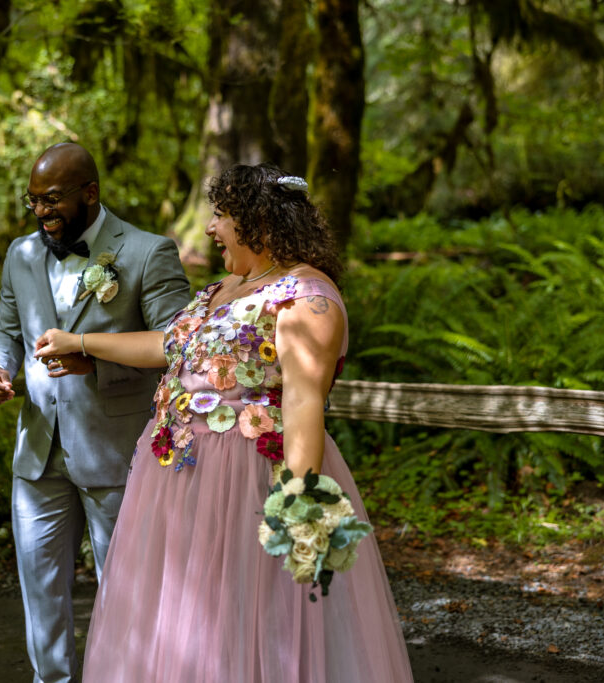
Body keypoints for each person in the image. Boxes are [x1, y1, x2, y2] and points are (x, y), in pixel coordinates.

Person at [35, 163, 414, 681]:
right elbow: (169, 346)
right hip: (179, 481)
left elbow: (304, 403)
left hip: (248, 483)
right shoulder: (230, 285)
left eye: (220, 215)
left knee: (252, 620)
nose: (210, 229)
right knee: (184, 623)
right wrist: (81, 343)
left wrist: (298, 500)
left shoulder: (309, 298)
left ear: (257, 220)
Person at [0, 142, 191, 683]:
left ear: (90, 193)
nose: (42, 213)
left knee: (126, 592)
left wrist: (95, 362)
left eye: (52, 199)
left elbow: (179, 348)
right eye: (33, 202)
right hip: (37, 453)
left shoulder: (148, 252)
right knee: (40, 587)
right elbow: (7, 326)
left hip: (114, 454)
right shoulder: (21, 255)